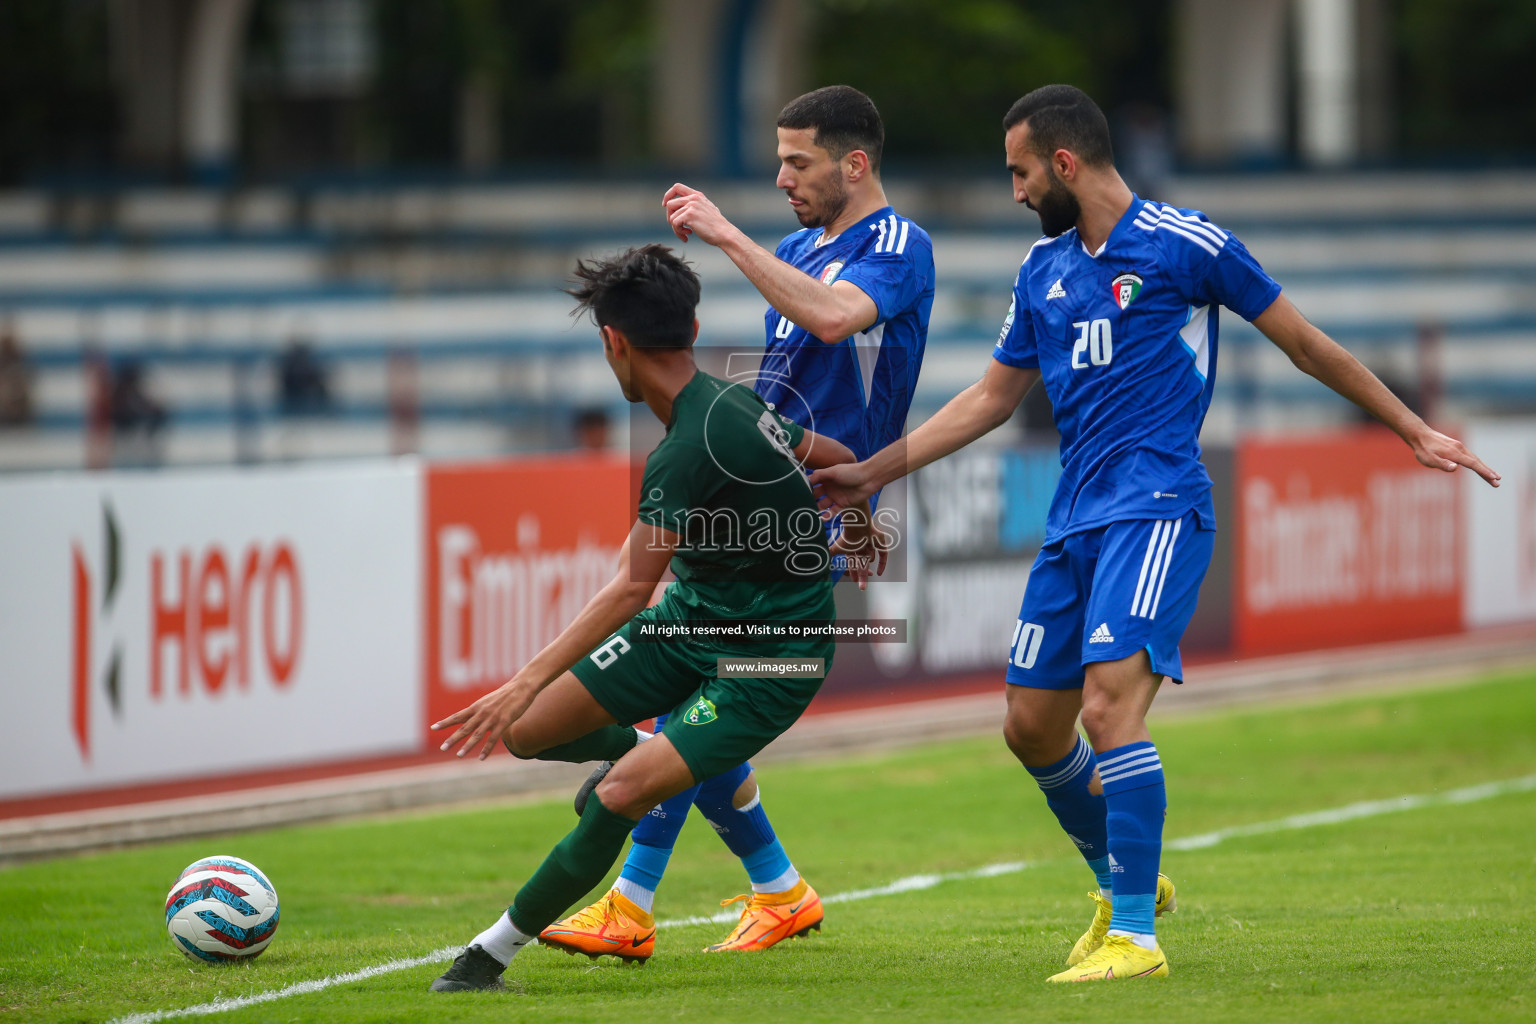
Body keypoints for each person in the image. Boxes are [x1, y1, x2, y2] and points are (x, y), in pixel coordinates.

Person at [810, 84, 1501, 984]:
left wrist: (1411, 426)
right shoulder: (1043, 271)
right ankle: (1125, 880)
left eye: (1020, 173)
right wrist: (873, 471)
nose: (1015, 193)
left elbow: (1303, 342)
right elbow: (990, 399)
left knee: (1108, 709)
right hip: (1073, 521)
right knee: (1028, 726)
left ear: (1064, 163)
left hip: (1160, 505)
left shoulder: (1187, 243)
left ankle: (1135, 935)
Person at [429, 244, 881, 993]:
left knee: (617, 794)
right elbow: (833, 452)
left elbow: (627, 591)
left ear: (614, 342)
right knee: (529, 728)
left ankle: (489, 954)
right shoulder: (734, 403)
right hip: (692, 624)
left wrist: (521, 675)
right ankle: (641, 744)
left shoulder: (688, 446)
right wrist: (861, 522)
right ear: (693, 326)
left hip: (768, 664)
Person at [547, 84, 933, 957]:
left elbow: (835, 321)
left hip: (817, 512)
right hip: (760, 495)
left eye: (798, 160)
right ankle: (778, 890)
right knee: (698, 699)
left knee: (689, 694)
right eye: (781, 158)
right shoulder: (800, 247)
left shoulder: (900, 245)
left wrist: (724, 233)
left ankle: (636, 904)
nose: (781, 175)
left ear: (855, 163)